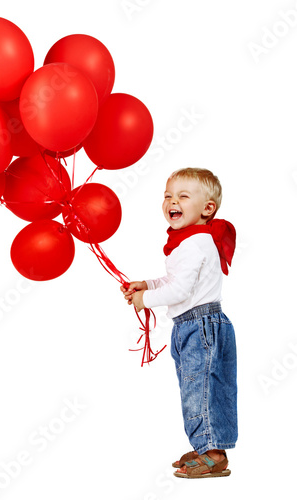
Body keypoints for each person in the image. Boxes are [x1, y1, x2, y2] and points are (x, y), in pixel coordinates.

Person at [121, 167, 238, 479]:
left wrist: (144, 300)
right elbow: (173, 281)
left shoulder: (194, 244)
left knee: (198, 390)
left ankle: (212, 453)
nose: (172, 201)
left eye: (183, 196)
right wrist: (146, 284)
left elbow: (179, 290)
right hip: (197, 324)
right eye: (167, 196)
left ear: (207, 208)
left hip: (198, 327)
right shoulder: (191, 241)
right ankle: (208, 445)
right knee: (209, 388)